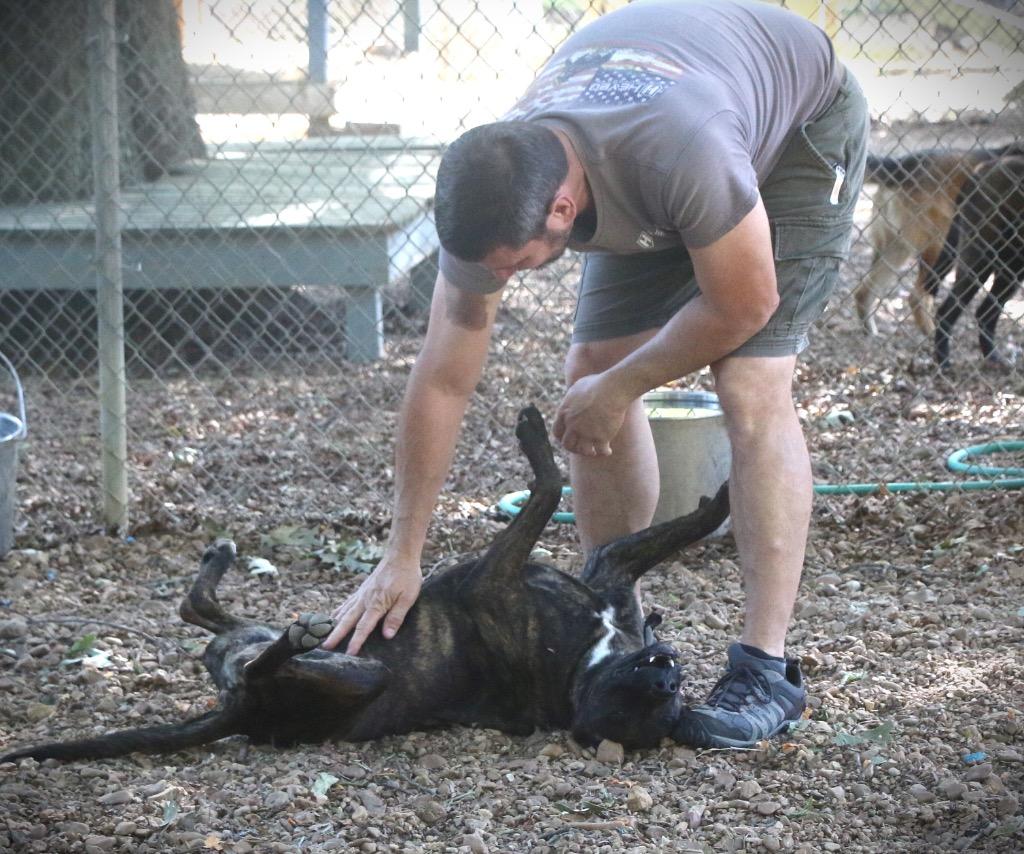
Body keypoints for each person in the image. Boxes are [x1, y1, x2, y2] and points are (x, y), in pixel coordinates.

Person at [323, 0, 868, 749]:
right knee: (592, 363)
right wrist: (402, 553)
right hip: (668, 146)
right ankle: (617, 620)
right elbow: (445, 377)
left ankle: (764, 669)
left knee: (748, 381)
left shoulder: (680, 152)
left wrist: (622, 387)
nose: (501, 279)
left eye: (515, 264)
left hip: (794, 131)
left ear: (563, 207)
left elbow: (744, 303)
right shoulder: (492, 188)